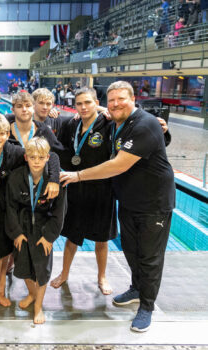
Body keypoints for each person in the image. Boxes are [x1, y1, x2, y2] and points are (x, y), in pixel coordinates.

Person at [60, 81, 175, 332]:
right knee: (132, 251)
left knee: (150, 257)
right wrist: (100, 108)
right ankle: (136, 288)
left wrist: (78, 176)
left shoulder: (145, 124)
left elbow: (118, 165)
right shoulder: (120, 121)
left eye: (121, 99)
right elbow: (105, 112)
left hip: (153, 204)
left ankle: (147, 306)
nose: (115, 104)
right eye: (111, 100)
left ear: (134, 99)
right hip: (129, 200)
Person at [0, 116, 61, 309]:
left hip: (3, 208)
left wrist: (54, 178)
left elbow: (51, 156)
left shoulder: (16, 152)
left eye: (2, 133)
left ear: (8, 135)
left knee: (0, 253)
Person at [50, 87, 117, 295]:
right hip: (76, 187)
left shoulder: (108, 124)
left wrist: (107, 110)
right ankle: (64, 273)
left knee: (102, 239)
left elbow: (132, 115)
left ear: (97, 102)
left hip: (102, 189)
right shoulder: (71, 124)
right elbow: (59, 148)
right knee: (72, 236)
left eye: (88, 102)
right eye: (79, 103)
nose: (84, 107)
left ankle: (102, 277)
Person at [5, 137, 66, 325]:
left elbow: (59, 212)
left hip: (44, 227)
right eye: (32, 157)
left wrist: (49, 237)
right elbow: (10, 207)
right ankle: (32, 294)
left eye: (41, 157)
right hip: (22, 226)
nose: (37, 161)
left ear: (48, 158)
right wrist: (16, 232)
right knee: (23, 266)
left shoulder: (56, 181)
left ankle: (38, 306)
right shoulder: (16, 177)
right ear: (26, 158)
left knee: (41, 269)